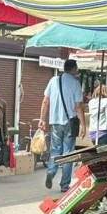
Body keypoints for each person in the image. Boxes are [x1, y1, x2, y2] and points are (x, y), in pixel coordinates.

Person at [39, 58, 87, 191]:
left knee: (55, 150)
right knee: (68, 153)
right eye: (76, 68)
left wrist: (42, 119)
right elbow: (78, 106)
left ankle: (51, 171)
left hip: (54, 122)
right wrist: (83, 125)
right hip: (70, 122)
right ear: (73, 69)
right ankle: (64, 185)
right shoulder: (76, 84)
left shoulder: (53, 80)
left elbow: (45, 101)